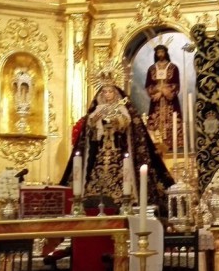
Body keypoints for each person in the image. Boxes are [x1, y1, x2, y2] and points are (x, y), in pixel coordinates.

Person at [60, 84, 175, 213]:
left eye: (110, 92)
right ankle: (92, 201)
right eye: (105, 92)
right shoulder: (98, 109)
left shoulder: (120, 108)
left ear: (115, 94)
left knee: (123, 174)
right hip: (100, 153)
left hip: (118, 152)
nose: (108, 94)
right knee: (95, 177)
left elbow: (126, 122)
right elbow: (90, 127)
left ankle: (124, 200)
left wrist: (117, 121)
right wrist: (95, 121)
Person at [145, 44, 183, 152]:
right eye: (158, 52)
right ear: (156, 54)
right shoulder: (152, 69)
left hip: (170, 102)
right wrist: (157, 91)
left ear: (165, 53)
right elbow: (148, 86)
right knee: (154, 122)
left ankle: (172, 144)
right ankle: (156, 144)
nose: (160, 54)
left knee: (172, 121)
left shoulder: (173, 67)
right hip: (156, 102)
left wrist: (162, 91)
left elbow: (176, 85)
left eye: (162, 52)